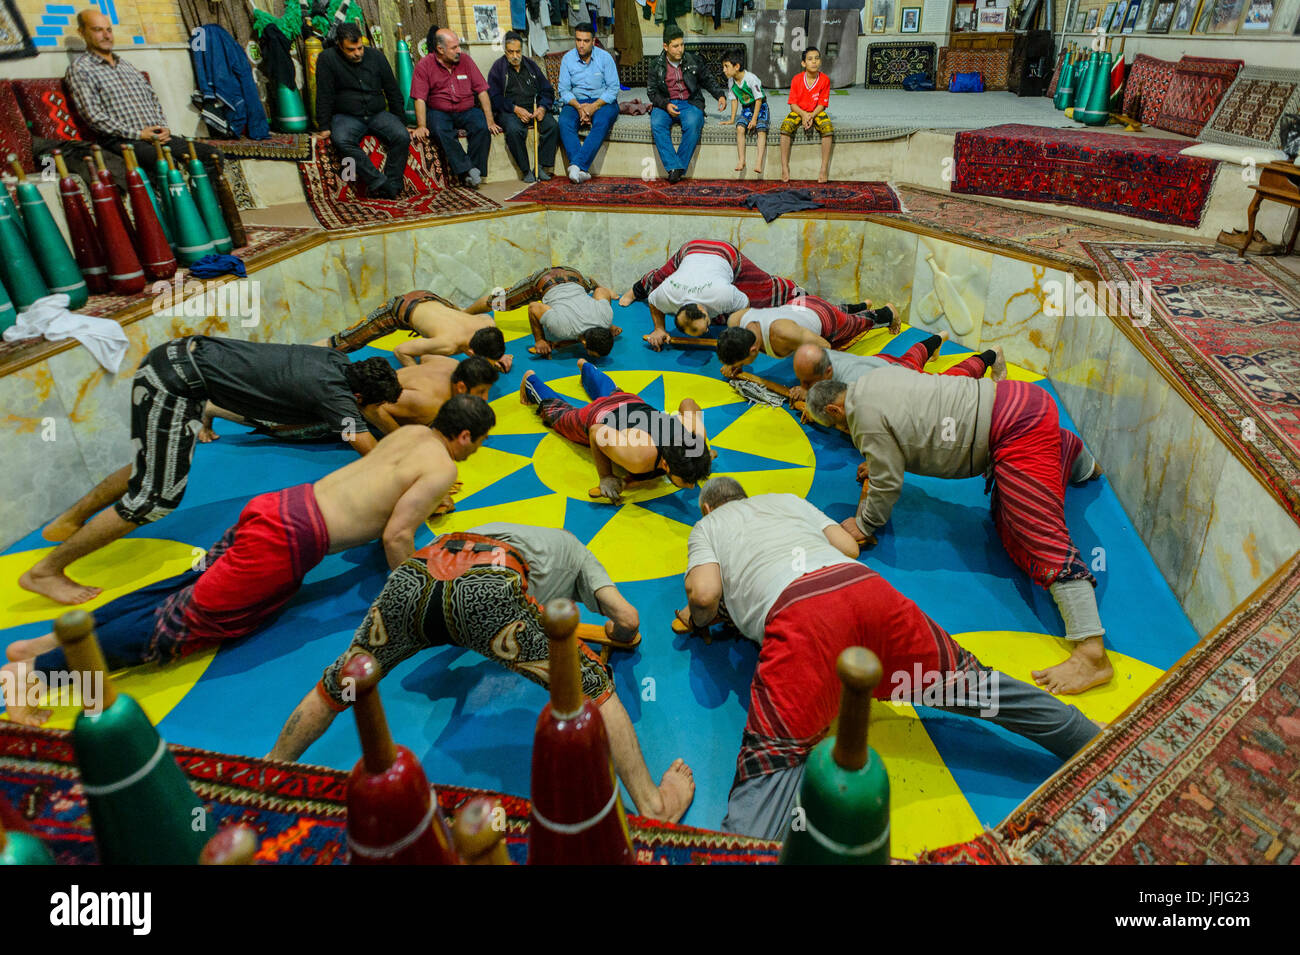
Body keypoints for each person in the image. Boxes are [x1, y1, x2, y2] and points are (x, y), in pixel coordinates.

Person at [3, 406, 494, 725]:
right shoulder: (443, 467)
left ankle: (45, 642)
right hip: (285, 541)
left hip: (277, 506)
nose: (478, 453)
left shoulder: (411, 432)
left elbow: (380, 493)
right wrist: (413, 595)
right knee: (183, 622)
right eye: (479, 444)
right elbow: (397, 535)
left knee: (179, 590)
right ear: (465, 436)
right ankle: (39, 673)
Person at [680, 478, 1100, 841]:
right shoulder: (785, 499)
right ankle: (1085, 736)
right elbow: (847, 546)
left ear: (707, 506)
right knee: (970, 684)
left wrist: (704, 620)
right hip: (868, 592)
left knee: (775, 755)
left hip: (803, 622)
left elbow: (703, 594)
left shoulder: (707, 526)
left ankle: (738, 853)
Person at [265, 522, 696, 822]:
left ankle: (272, 767)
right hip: (488, 589)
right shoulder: (580, 555)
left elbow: (447, 601)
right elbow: (628, 620)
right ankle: (654, 807)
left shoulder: (508, 529)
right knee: (594, 686)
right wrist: (614, 632)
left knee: (341, 682)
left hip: (416, 574)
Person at [20, 337, 402, 605]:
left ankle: (70, 520)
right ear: (357, 397)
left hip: (179, 363)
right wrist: (405, 475)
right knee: (156, 499)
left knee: (151, 466)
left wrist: (403, 440)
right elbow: (365, 449)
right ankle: (46, 572)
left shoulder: (340, 364)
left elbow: (368, 415)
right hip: (175, 382)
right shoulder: (334, 395)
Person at [805, 371, 1109, 695]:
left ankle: (1092, 652)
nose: (844, 433)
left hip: (1015, 427)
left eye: (838, 427)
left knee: (1031, 531)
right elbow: (909, 420)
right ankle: (1073, 457)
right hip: (1021, 400)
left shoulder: (862, 418)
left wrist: (864, 524)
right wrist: (880, 454)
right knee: (1009, 505)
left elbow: (886, 482)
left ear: (836, 411)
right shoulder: (870, 379)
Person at [64, 9, 225, 187]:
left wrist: (162, 128)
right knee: (163, 162)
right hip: (122, 139)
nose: (106, 35)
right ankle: (173, 211)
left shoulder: (126, 65)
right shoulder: (80, 69)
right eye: (97, 30)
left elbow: (152, 98)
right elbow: (93, 116)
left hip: (156, 136)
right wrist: (139, 134)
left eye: (109, 30)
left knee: (212, 155)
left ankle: (209, 208)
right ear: (82, 32)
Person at [519, 359, 713, 503]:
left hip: (631, 401)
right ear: (665, 463)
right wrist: (606, 476)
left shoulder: (695, 437)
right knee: (558, 415)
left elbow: (688, 403)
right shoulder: (639, 457)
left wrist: (701, 454)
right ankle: (531, 380)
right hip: (599, 415)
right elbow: (595, 431)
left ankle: (586, 366)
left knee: (612, 392)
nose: (691, 486)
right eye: (687, 480)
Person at [619, 239, 805, 349]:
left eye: (706, 324)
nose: (708, 331)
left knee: (763, 291)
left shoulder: (722, 295)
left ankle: (798, 292)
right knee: (658, 279)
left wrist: (738, 335)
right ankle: (634, 291)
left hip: (724, 253)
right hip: (688, 251)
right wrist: (659, 328)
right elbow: (653, 301)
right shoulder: (667, 295)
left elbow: (745, 307)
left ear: (702, 309)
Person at [313, 22, 410, 200]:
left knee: (402, 136)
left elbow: (392, 90)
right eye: (351, 50)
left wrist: (401, 121)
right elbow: (324, 94)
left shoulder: (376, 57)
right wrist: (324, 125)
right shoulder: (327, 59)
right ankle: (380, 182)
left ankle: (393, 184)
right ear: (339, 45)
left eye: (359, 48)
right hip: (346, 116)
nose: (357, 53)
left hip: (377, 113)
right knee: (341, 139)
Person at [323, 290, 513, 372]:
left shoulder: (488, 325)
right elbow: (401, 350)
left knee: (451, 319)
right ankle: (298, 351)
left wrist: (498, 356)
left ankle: (429, 326)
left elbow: (486, 316)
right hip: (399, 309)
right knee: (342, 343)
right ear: (471, 353)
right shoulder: (447, 345)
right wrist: (416, 373)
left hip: (431, 299)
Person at [709, 299, 901, 378]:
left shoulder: (783, 334)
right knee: (839, 312)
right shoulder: (735, 321)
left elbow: (825, 347)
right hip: (797, 305)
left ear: (753, 350)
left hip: (823, 317)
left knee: (854, 325)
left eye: (743, 361)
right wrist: (736, 363)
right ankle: (860, 305)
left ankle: (886, 313)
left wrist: (808, 386)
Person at [411, 29, 501, 189]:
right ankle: (466, 170)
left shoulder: (466, 61)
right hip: (440, 111)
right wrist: (421, 126)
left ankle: (475, 171)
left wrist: (490, 120)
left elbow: (482, 90)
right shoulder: (424, 65)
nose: (459, 50)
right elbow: (419, 98)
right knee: (438, 129)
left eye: (458, 46)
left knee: (481, 126)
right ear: (440, 49)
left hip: (466, 109)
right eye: (454, 48)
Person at [788, 339, 1007, 404]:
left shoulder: (854, 387)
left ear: (827, 372)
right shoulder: (818, 356)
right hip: (882, 363)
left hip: (903, 382)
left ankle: (992, 354)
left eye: (809, 383)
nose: (804, 386)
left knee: (952, 382)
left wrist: (811, 400)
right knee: (912, 357)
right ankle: (937, 339)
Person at [467, 266, 617, 358]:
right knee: (498, 302)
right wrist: (540, 339)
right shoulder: (562, 329)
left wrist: (606, 326)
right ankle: (464, 314)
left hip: (574, 275)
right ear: (583, 342)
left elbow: (602, 291)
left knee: (590, 288)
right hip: (543, 281)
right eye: (590, 353)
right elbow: (534, 307)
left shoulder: (607, 317)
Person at [647, 25, 726, 184]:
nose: (680, 49)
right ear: (665, 46)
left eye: (682, 45)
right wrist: (666, 105)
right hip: (666, 103)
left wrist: (720, 95)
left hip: (689, 102)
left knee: (694, 122)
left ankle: (677, 168)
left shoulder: (693, 60)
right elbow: (652, 92)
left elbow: (708, 79)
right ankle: (674, 167)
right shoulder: (655, 64)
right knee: (657, 123)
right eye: (675, 46)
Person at [488, 31, 559, 182]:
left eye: (518, 51)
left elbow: (547, 90)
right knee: (514, 130)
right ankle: (526, 170)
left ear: (522, 50)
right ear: (505, 51)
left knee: (552, 126)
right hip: (510, 110)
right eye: (511, 52)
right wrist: (515, 109)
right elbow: (494, 97)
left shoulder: (531, 65)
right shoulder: (498, 68)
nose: (515, 56)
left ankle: (540, 166)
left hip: (534, 108)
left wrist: (542, 108)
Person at [557, 23, 621, 183]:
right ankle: (580, 169)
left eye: (585, 41)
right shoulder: (568, 59)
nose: (581, 45)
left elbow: (613, 89)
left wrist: (593, 107)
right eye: (578, 40)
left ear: (593, 41)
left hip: (602, 101)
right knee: (564, 121)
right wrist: (579, 107)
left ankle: (577, 165)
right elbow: (563, 90)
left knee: (602, 121)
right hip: (576, 102)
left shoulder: (605, 57)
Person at [779, 47, 833, 183]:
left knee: (828, 129)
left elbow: (822, 104)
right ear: (803, 63)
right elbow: (793, 104)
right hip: (799, 111)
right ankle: (784, 166)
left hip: (816, 111)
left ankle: (823, 169)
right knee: (785, 128)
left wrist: (811, 115)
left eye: (817, 58)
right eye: (810, 59)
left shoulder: (825, 80)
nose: (814, 62)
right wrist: (803, 115)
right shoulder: (797, 79)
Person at [720, 48, 768, 176]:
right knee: (740, 128)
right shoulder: (731, 81)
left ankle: (758, 162)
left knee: (761, 130)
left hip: (760, 106)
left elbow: (759, 99)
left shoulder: (751, 79)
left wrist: (754, 119)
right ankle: (741, 160)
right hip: (747, 108)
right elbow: (734, 100)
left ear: (737, 66)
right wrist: (732, 119)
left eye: (726, 66)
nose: (724, 70)